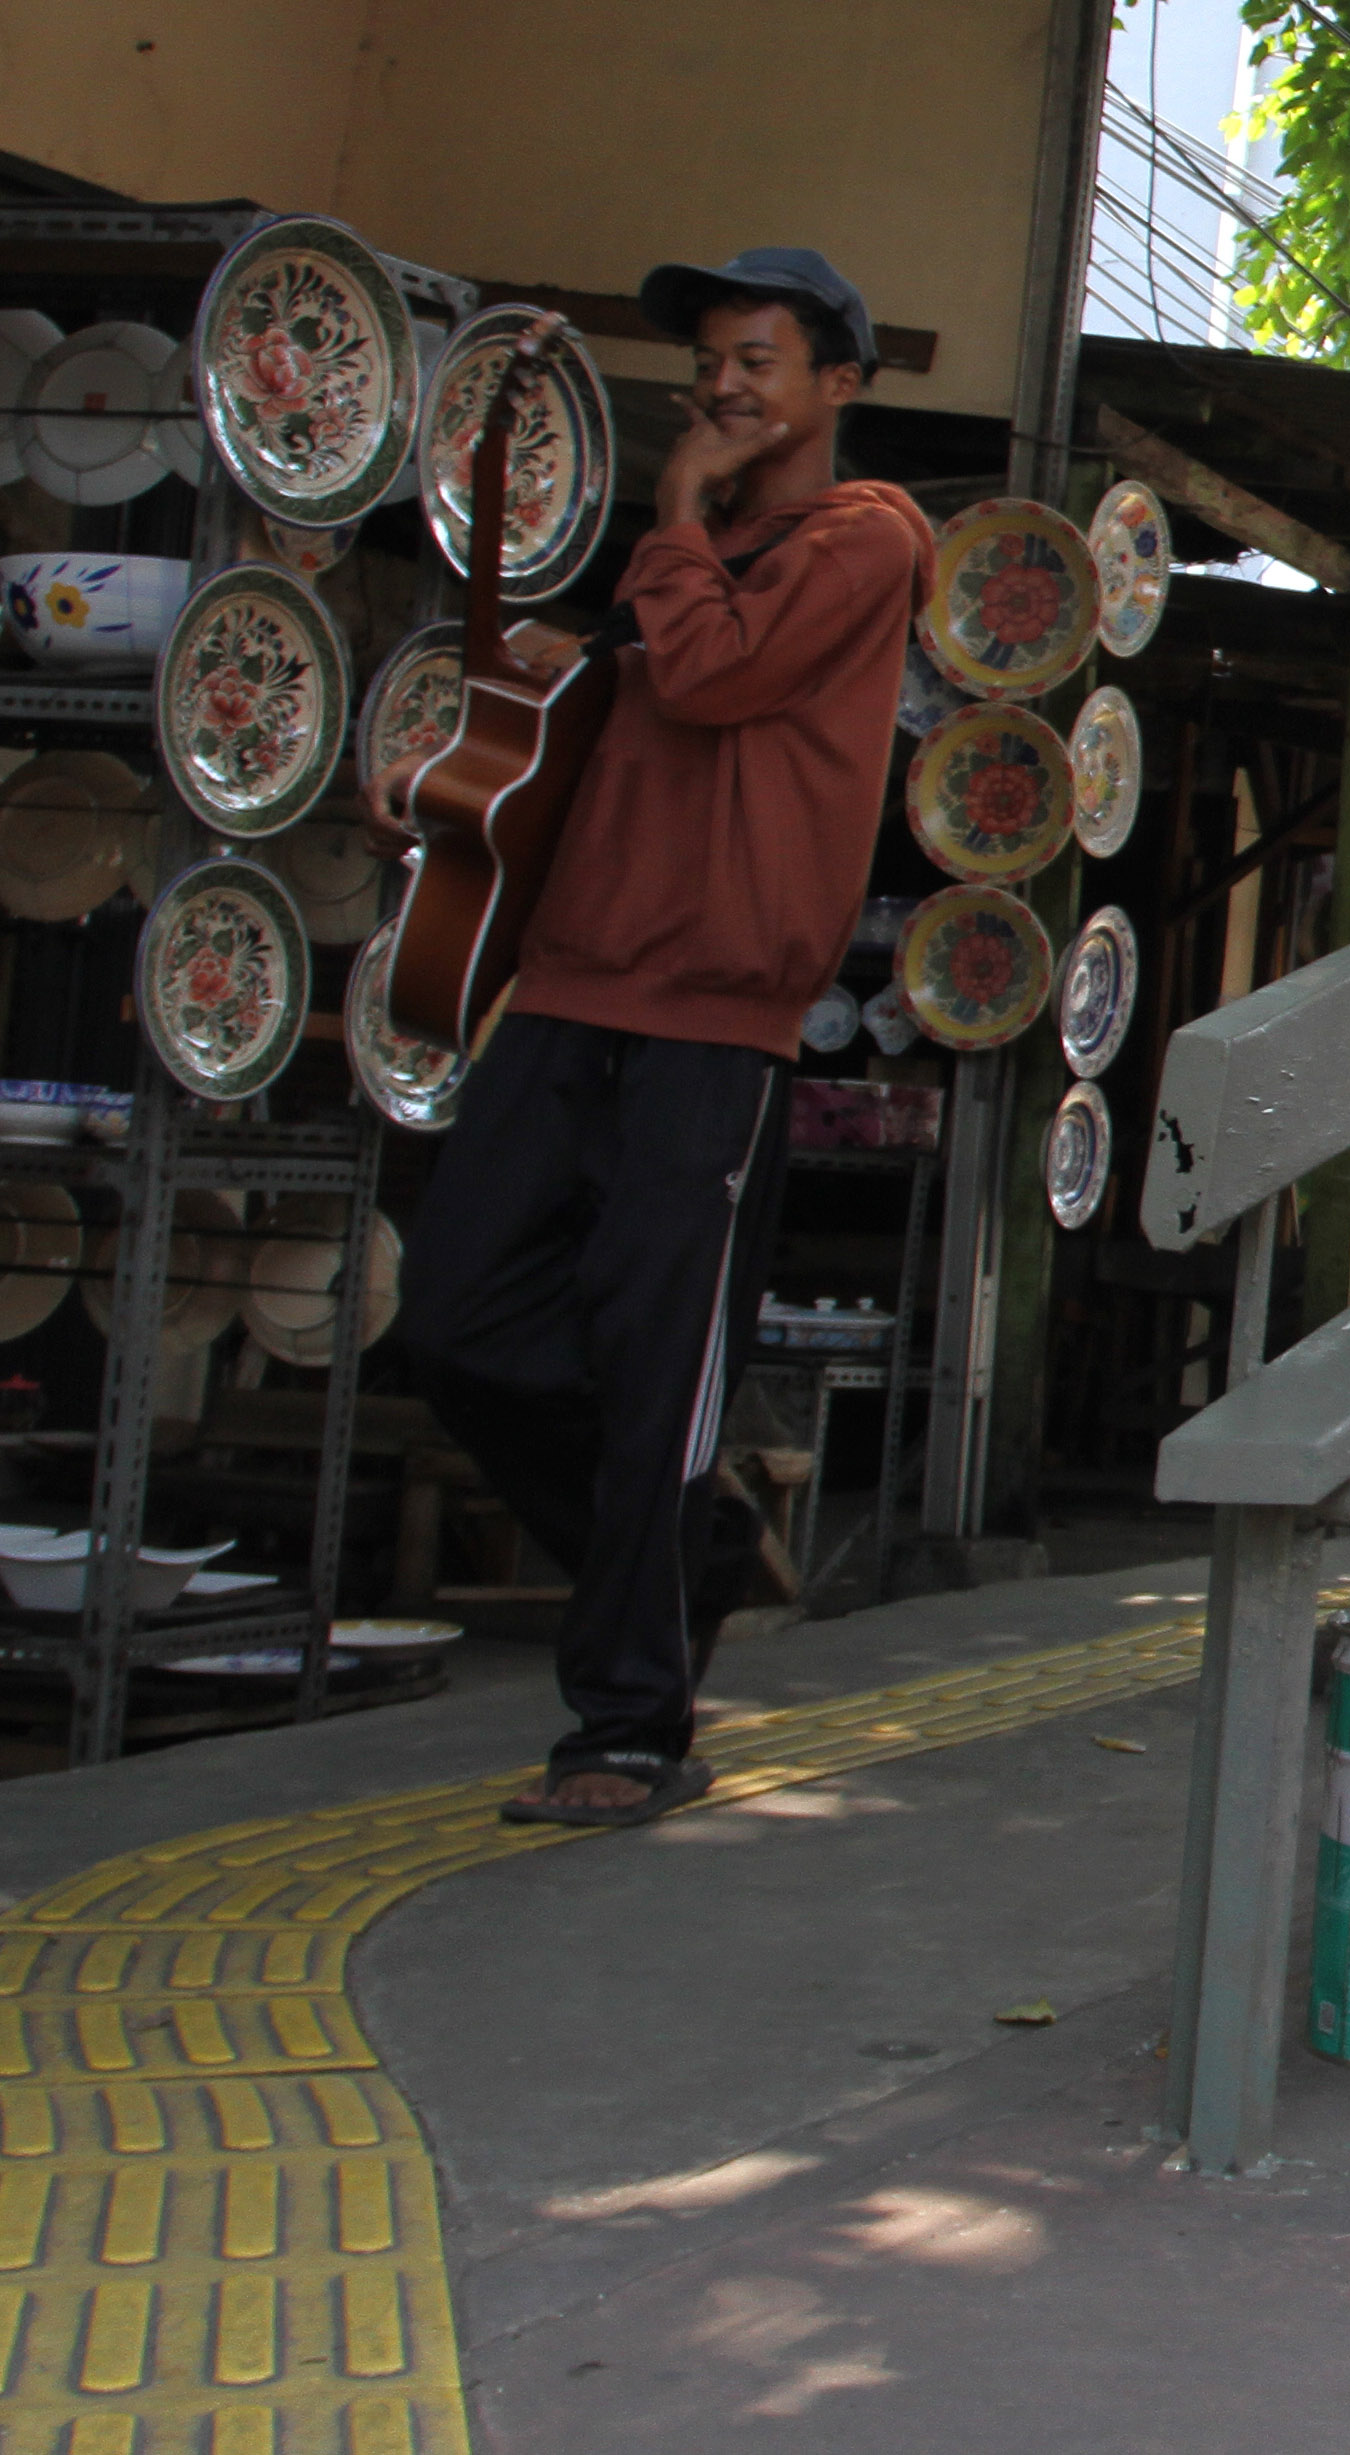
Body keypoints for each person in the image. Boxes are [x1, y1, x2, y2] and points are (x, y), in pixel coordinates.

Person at [372, 248, 934, 1828]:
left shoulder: (866, 534)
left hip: (713, 1017)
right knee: (457, 1312)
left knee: (650, 1365)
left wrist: (674, 508)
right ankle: (681, 1546)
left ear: (840, 384)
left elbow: (713, 673)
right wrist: (443, 787)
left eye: (759, 357)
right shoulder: (685, 561)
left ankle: (627, 1724)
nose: (726, 384)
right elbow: (617, 713)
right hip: (565, 991)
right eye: (711, 361)